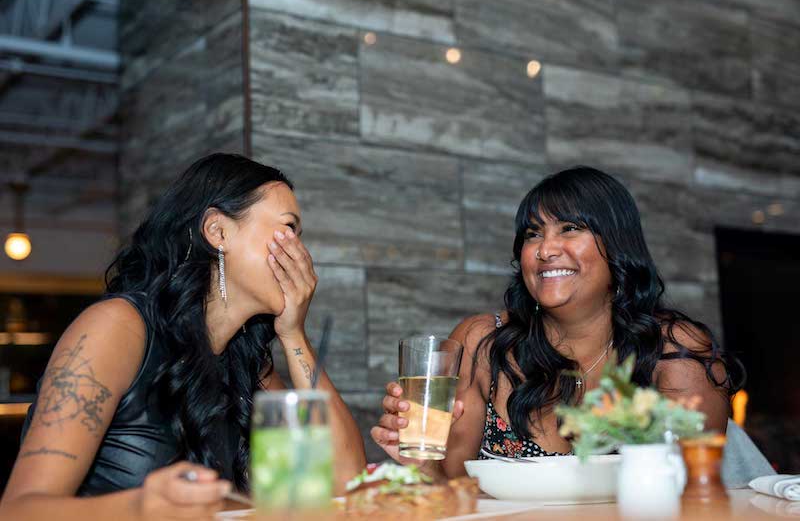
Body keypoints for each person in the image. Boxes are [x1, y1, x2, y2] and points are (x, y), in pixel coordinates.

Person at [0, 154, 366, 519]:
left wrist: (294, 334)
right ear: (218, 232)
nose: (300, 253)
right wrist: (141, 509)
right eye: (288, 228)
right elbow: (19, 510)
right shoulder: (116, 328)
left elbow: (347, 483)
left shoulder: (249, 365)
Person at [371, 166, 743, 479]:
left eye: (569, 228)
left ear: (618, 244)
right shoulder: (483, 342)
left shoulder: (675, 352)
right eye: (533, 234)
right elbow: (451, 487)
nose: (546, 249)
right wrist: (422, 464)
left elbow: (693, 495)